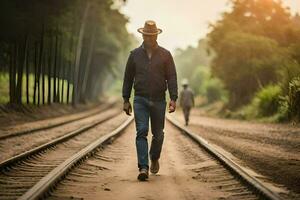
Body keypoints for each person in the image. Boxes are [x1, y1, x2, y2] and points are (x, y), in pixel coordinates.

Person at [122, 20, 178, 181]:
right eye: (147, 35)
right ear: (143, 35)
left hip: (159, 100)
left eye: (152, 35)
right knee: (141, 131)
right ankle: (143, 167)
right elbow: (127, 78)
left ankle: (154, 157)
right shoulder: (134, 55)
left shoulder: (165, 55)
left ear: (156, 36)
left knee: (158, 134)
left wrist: (173, 98)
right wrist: (126, 99)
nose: (150, 38)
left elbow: (172, 77)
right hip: (140, 99)